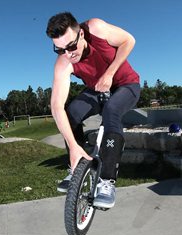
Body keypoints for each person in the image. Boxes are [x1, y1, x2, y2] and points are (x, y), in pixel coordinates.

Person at [46, 12, 140, 209]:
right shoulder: (63, 62)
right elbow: (56, 106)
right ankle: (76, 164)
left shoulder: (95, 28)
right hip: (96, 89)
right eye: (60, 49)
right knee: (71, 113)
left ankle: (107, 182)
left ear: (80, 34)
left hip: (126, 84)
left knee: (111, 111)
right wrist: (72, 145)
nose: (68, 54)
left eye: (71, 46)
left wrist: (110, 73)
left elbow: (129, 40)